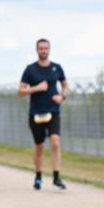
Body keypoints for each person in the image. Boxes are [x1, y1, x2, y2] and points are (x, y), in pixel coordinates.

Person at [18, 37, 68, 190]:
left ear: (49, 49)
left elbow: (65, 84)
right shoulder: (30, 69)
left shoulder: (57, 68)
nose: (44, 51)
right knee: (39, 147)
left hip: (53, 111)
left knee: (55, 142)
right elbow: (20, 91)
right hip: (36, 113)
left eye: (46, 48)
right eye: (41, 48)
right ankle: (38, 176)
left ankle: (56, 177)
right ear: (37, 50)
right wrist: (36, 88)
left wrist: (62, 96)